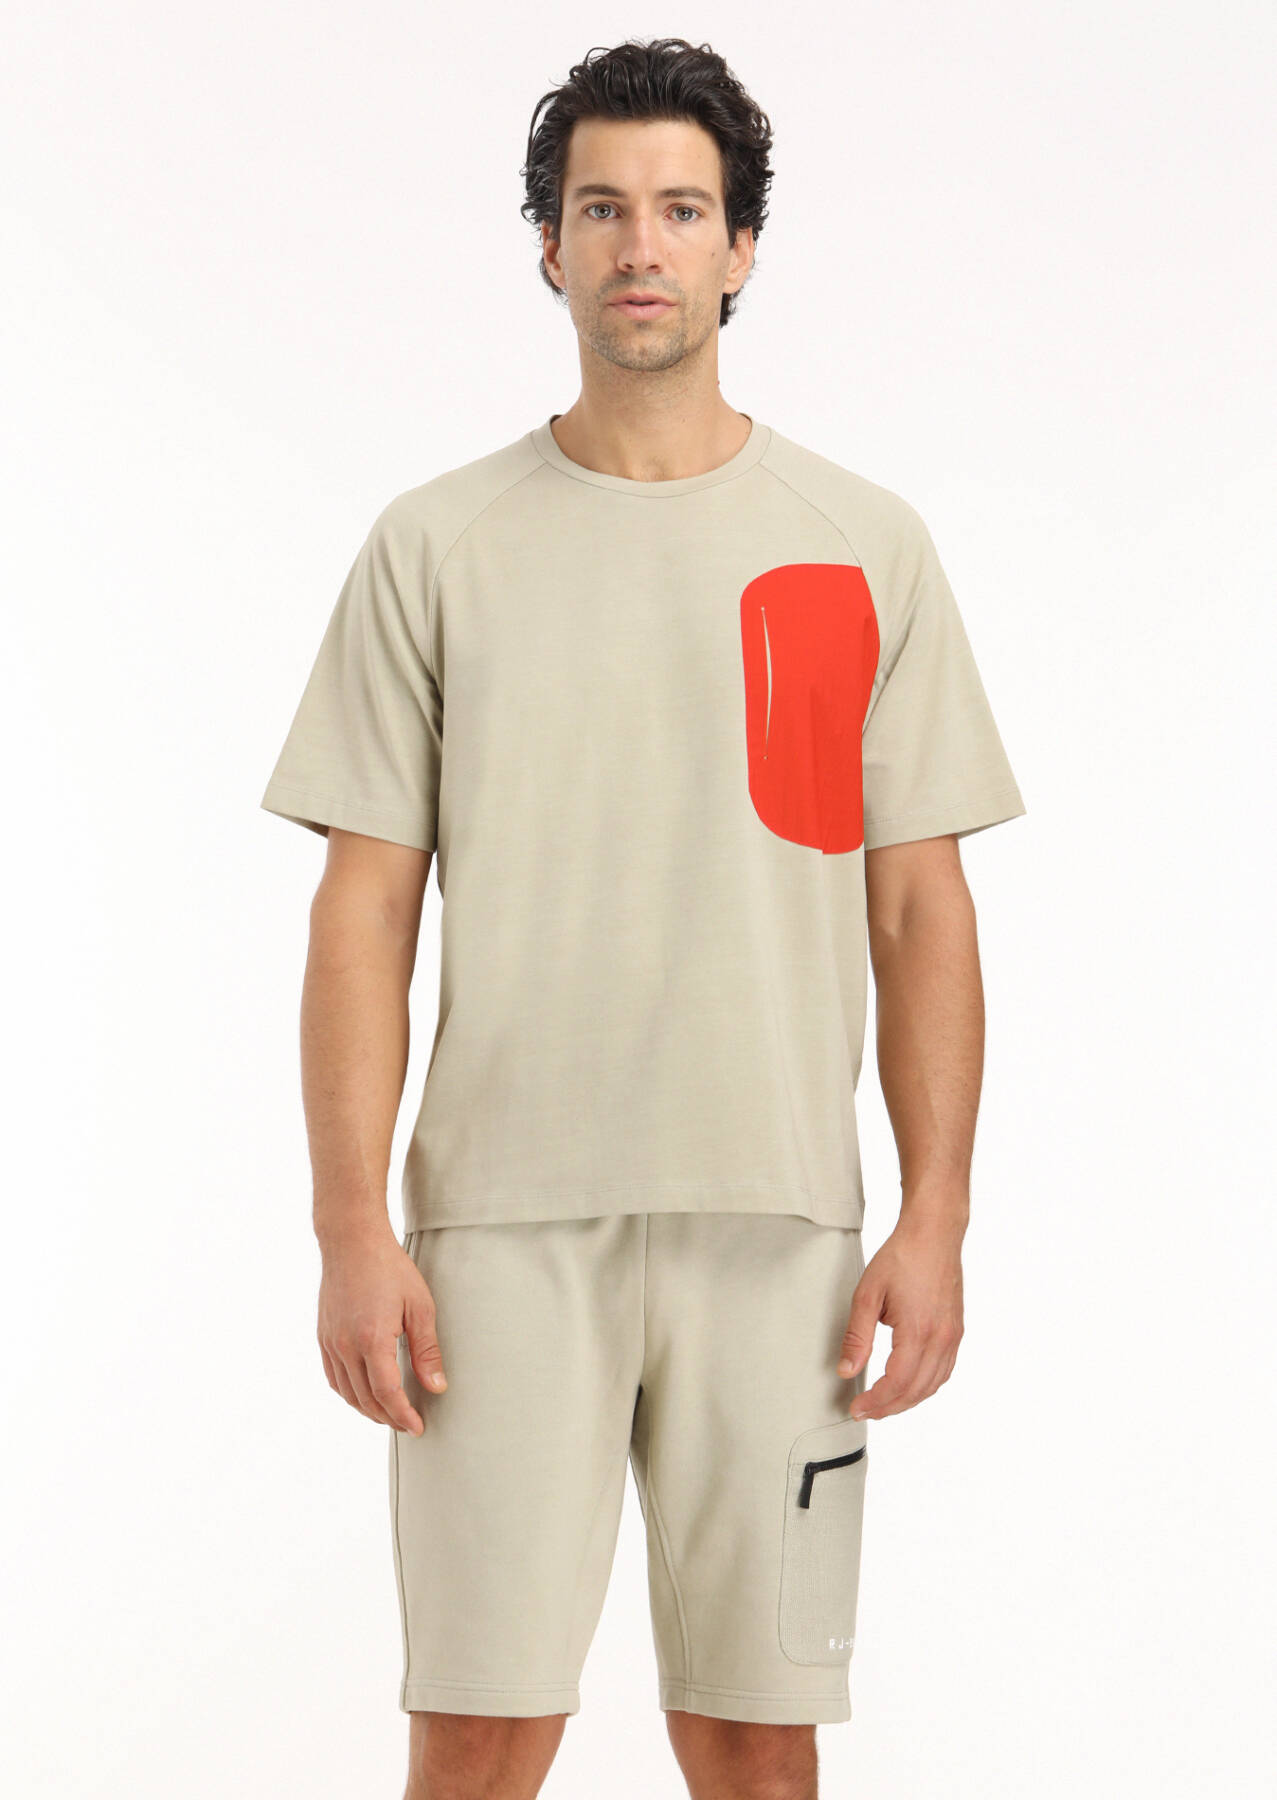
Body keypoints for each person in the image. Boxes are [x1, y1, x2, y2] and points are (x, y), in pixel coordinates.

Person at [259, 34, 1027, 1800]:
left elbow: (920, 910)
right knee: (478, 1731)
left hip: (778, 1232)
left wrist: (936, 1214)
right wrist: (349, 1225)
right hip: (497, 1233)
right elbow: (360, 915)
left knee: (757, 1737)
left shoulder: (861, 544)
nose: (639, 246)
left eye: (681, 210)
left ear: (740, 247)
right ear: (548, 244)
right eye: (601, 208)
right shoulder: (437, 544)